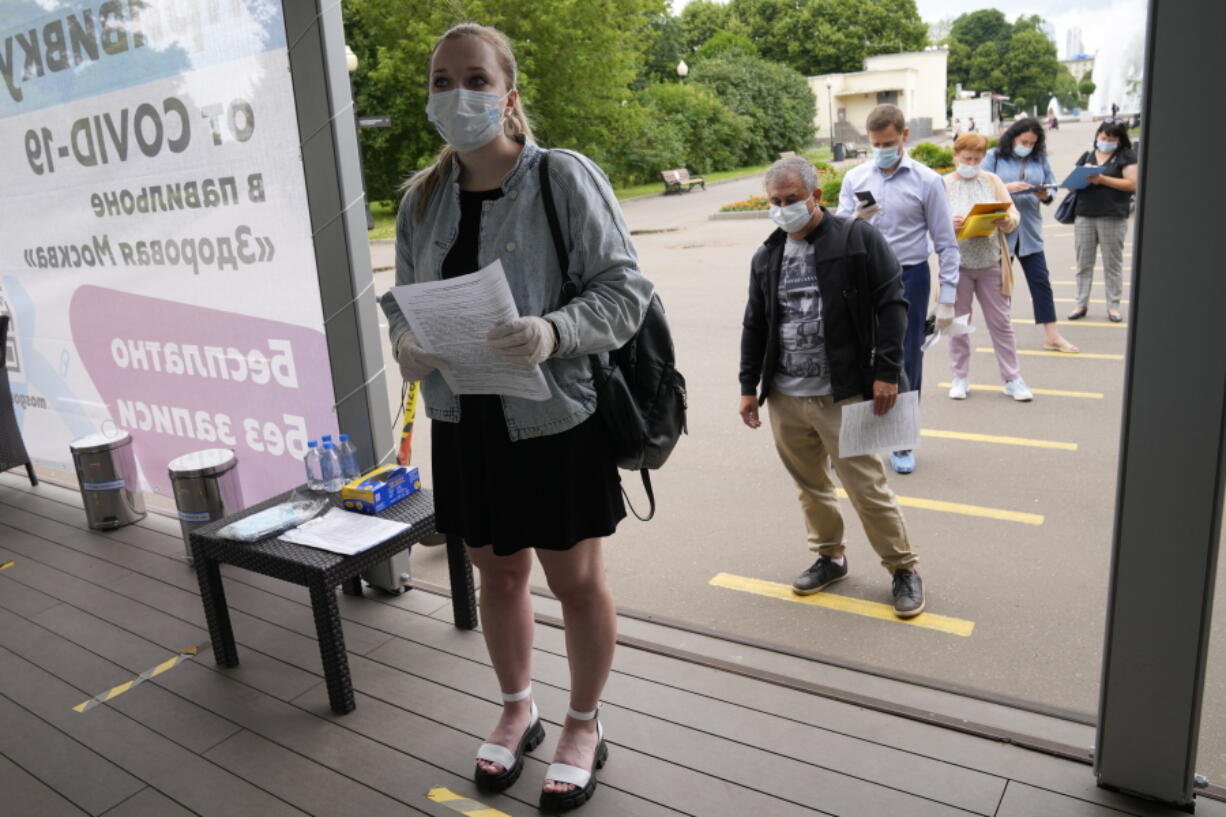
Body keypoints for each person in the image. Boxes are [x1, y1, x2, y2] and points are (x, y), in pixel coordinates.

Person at [378, 24, 652, 812]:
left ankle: (582, 721)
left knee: (574, 580)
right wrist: (407, 342)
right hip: (465, 420)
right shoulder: (420, 201)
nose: (455, 95)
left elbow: (624, 291)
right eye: (440, 81)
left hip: (556, 418)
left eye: (473, 78)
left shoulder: (561, 180)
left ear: (509, 94)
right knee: (496, 573)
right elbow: (402, 302)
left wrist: (554, 329)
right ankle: (516, 706)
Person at [740, 156, 925, 619]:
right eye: (776, 202)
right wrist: (749, 386)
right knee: (811, 487)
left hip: (844, 393)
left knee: (867, 487)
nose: (783, 209)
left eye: (791, 200)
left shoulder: (857, 239)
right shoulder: (767, 255)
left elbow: (892, 304)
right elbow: (755, 323)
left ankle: (903, 568)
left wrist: (886, 372)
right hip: (786, 395)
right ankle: (830, 557)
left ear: (816, 196)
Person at [838, 104, 960, 475]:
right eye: (875, 143)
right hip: (864, 278)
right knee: (858, 355)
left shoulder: (926, 181)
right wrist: (853, 221)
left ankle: (902, 440)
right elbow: (838, 230)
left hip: (909, 276)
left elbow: (946, 242)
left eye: (888, 142)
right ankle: (860, 435)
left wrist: (948, 298)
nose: (881, 149)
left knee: (906, 360)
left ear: (904, 136)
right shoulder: (856, 178)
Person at [943, 133, 1031, 401]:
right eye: (967, 158)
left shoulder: (992, 181)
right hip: (958, 265)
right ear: (955, 155)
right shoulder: (943, 184)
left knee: (1001, 323)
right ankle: (960, 377)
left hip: (990, 261)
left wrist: (1005, 221)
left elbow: (1014, 215)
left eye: (977, 159)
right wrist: (950, 224)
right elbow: (931, 224)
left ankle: (1012, 378)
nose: (971, 163)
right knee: (958, 324)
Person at [983, 118, 1079, 353]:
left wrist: (1045, 194)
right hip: (1002, 229)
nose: (1027, 145)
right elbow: (981, 186)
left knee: (1041, 282)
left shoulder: (1039, 159)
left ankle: (1052, 336)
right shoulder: (995, 156)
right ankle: (1002, 337)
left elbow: (1051, 190)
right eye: (1023, 141)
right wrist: (1007, 188)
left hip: (1030, 230)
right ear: (1013, 137)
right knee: (1001, 286)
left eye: (1032, 143)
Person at [1068, 120, 1138, 322]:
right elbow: (1072, 185)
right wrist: (1077, 180)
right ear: (1097, 136)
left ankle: (1113, 306)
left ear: (1119, 140)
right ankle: (1080, 303)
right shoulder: (1088, 155)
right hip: (1084, 214)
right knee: (1083, 263)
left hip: (1112, 215)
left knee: (1112, 263)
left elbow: (1132, 184)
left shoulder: (1126, 156)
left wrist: (1103, 179)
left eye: (1111, 139)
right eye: (1102, 137)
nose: (1105, 141)